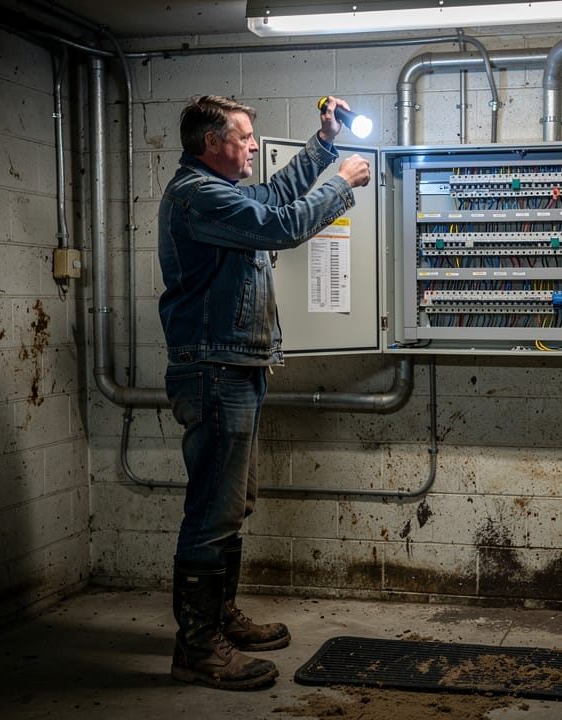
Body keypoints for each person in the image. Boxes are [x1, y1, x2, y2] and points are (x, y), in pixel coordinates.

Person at [156, 94, 371, 691]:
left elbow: (274, 198)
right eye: (245, 136)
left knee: (231, 505)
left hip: (237, 368)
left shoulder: (221, 193)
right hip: (215, 371)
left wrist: (323, 144)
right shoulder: (196, 195)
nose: (253, 144)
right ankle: (197, 647)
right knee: (210, 512)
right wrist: (341, 183)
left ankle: (219, 620)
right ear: (210, 145)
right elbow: (282, 224)